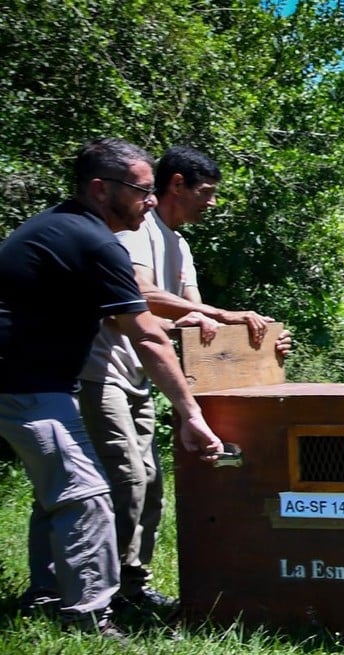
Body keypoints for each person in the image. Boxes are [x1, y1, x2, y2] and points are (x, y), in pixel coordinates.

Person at [0, 138, 223, 638]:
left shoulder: (65, 228)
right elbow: (146, 334)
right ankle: (88, 617)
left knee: (60, 490)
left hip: (32, 382)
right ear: (101, 190)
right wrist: (189, 414)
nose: (151, 200)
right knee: (88, 493)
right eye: (143, 190)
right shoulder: (94, 241)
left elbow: (132, 325)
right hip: (23, 383)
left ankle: (48, 593)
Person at [75, 145, 291, 617]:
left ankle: (133, 586)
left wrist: (262, 342)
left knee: (149, 481)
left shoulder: (181, 246)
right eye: (207, 193)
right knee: (125, 479)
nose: (212, 203)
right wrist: (214, 314)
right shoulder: (136, 230)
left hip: (141, 376)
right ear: (178, 185)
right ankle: (98, 596)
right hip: (102, 371)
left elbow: (197, 326)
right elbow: (138, 296)